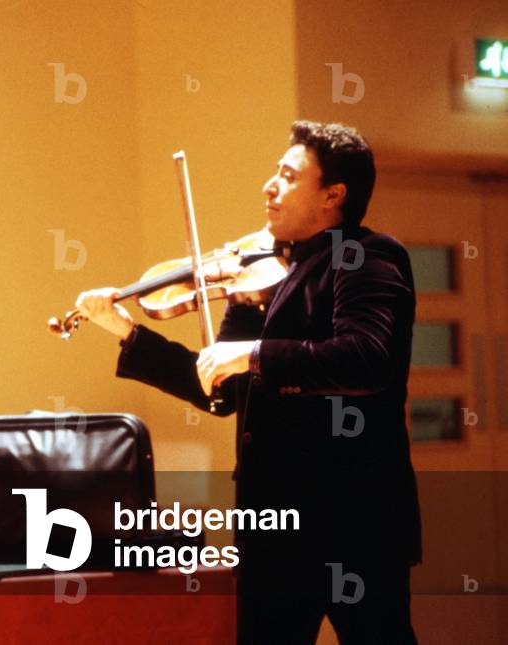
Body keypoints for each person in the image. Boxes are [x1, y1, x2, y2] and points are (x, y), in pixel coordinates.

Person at [76, 121, 421, 644]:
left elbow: (366, 359)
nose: (269, 185)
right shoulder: (263, 275)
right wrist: (127, 332)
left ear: (333, 194)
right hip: (274, 529)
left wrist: (254, 353)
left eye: (287, 175)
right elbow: (222, 388)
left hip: (355, 524)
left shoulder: (368, 257)